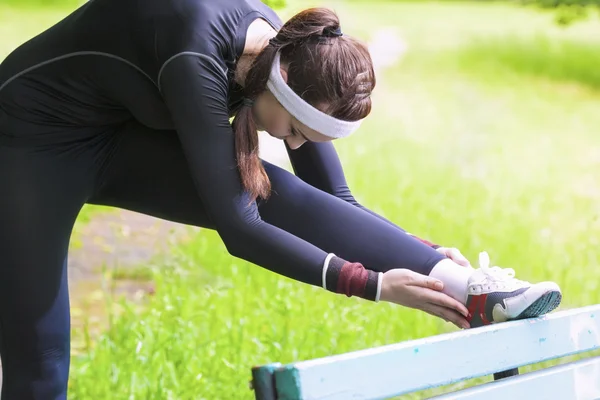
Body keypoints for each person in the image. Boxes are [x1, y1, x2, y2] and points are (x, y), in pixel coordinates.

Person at [0, 0, 561, 398]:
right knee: (41, 364)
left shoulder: (289, 54)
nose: (291, 143)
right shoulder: (197, 56)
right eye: (293, 131)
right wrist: (370, 284)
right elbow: (237, 227)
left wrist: (428, 257)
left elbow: (332, 198)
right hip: (30, 140)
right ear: (278, 86)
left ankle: (477, 293)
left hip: (117, 129)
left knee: (282, 191)